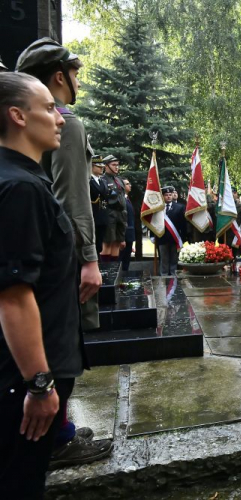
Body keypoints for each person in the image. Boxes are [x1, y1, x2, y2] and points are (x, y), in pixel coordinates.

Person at [15, 39, 112, 467]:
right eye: (74, 74)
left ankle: (61, 428)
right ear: (59, 77)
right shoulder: (67, 123)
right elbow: (73, 197)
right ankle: (58, 438)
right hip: (64, 253)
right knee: (60, 347)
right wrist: (89, 259)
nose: (77, 82)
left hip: (46, 248)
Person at [0, 71, 86, 498]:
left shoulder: (22, 179)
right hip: (23, 379)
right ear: (17, 116)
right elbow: (14, 297)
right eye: (48, 108)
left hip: (27, 371)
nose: (60, 118)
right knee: (20, 483)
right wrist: (39, 383)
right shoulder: (20, 188)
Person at [100, 155, 127, 261]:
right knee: (108, 242)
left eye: (117, 165)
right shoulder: (103, 180)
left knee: (117, 241)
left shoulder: (118, 180)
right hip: (110, 213)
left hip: (121, 214)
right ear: (106, 166)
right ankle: (106, 269)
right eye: (113, 165)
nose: (117, 167)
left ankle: (114, 268)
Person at [157, 186, 186, 276]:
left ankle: (173, 277)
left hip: (175, 238)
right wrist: (151, 236)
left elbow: (183, 224)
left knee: (174, 259)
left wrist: (183, 238)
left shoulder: (179, 207)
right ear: (162, 196)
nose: (169, 196)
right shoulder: (158, 208)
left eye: (170, 194)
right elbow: (154, 223)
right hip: (162, 238)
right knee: (164, 259)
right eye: (166, 195)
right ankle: (164, 276)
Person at [89, 156, 109, 256]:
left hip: (102, 215)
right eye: (98, 166)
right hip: (93, 214)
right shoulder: (88, 180)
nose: (102, 168)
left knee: (100, 240)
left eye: (102, 166)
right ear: (91, 166)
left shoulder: (102, 181)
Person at [119, 178, 135, 270]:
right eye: (127, 184)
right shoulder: (122, 200)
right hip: (124, 236)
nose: (130, 185)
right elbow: (122, 219)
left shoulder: (127, 199)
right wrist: (122, 238)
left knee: (126, 261)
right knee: (122, 260)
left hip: (128, 236)